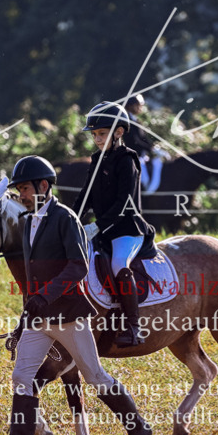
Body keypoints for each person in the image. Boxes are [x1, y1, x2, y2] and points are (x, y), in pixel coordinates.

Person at [0, 155, 152, 435]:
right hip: (38, 318)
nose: (21, 195)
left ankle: (139, 428)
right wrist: (25, 319)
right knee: (22, 377)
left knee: (95, 376)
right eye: (18, 190)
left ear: (43, 186)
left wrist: (45, 297)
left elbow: (78, 266)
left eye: (24, 189)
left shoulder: (64, 218)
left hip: (67, 315)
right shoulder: (27, 221)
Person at [74, 102, 157, 348]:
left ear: (119, 132)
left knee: (119, 263)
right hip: (104, 230)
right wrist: (72, 220)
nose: (97, 139)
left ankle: (133, 326)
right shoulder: (97, 159)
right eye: (94, 135)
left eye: (102, 133)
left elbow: (125, 202)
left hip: (128, 229)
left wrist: (97, 226)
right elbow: (85, 197)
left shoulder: (127, 160)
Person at [124, 94, 163, 194]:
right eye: (138, 105)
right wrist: (151, 150)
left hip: (141, 155)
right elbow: (135, 141)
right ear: (131, 106)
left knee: (156, 163)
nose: (140, 108)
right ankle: (144, 192)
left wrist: (153, 147)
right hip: (131, 155)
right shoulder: (126, 121)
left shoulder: (136, 121)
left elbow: (144, 139)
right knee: (143, 177)